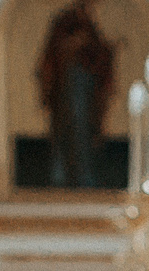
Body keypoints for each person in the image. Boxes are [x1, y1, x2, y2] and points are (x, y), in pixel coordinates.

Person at [36, 0, 116, 189]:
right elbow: (54, 53)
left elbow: (97, 55)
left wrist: (106, 50)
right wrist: (75, 44)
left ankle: (83, 177)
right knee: (69, 130)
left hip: (85, 89)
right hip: (69, 87)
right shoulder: (66, 20)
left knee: (84, 132)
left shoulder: (88, 22)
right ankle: (63, 177)